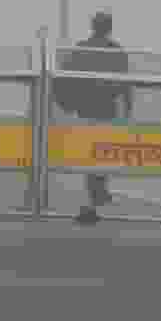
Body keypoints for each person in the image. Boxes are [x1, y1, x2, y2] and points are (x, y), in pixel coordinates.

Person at [55, 11, 132, 207]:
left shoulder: (81, 49)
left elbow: (63, 77)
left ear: (92, 26)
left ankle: (95, 190)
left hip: (85, 106)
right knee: (103, 149)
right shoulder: (116, 50)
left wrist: (67, 104)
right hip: (107, 107)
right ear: (110, 27)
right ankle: (99, 190)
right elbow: (125, 83)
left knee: (91, 147)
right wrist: (129, 109)